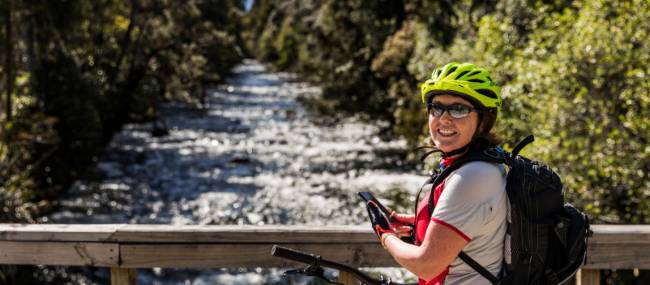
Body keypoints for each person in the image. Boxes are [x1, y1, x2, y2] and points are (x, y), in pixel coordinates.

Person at [370, 62, 508, 285]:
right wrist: (419, 222)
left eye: (459, 109)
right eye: (437, 107)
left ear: (483, 122)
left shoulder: (473, 176)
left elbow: (426, 265)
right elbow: (474, 223)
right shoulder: (482, 165)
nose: (444, 118)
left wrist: (384, 234)